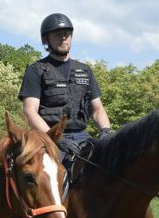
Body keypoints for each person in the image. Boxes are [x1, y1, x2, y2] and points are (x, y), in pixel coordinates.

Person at [19, 13, 112, 175]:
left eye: (67, 34)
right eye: (57, 34)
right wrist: (56, 139)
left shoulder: (85, 70)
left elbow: (97, 109)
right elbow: (29, 112)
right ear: (46, 39)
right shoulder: (36, 70)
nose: (63, 38)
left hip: (83, 138)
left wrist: (105, 131)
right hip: (48, 139)